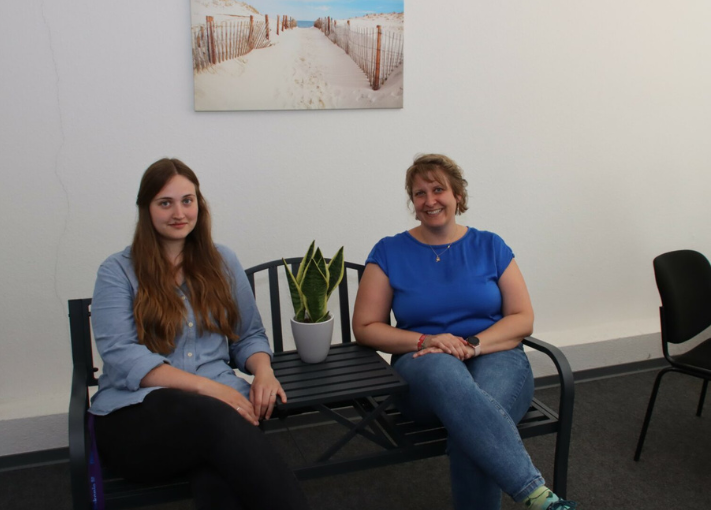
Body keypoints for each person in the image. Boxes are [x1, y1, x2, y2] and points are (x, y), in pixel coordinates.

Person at [353, 154, 577, 510]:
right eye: (419, 193)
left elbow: (522, 318)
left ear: (457, 194)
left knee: (469, 432)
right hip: (422, 363)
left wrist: (474, 345)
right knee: (444, 371)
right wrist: (426, 340)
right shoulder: (389, 251)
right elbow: (365, 327)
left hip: (496, 355)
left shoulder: (490, 245)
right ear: (412, 203)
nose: (430, 201)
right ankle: (534, 494)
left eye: (438, 189)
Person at [89, 158, 310, 510]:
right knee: (213, 416)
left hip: (219, 420)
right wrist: (213, 389)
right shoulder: (117, 270)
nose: (179, 212)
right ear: (146, 209)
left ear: (199, 205)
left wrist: (264, 372)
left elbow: (248, 335)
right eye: (165, 203)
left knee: (218, 470)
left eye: (187, 200)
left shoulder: (222, 261)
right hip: (137, 422)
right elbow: (121, 353)